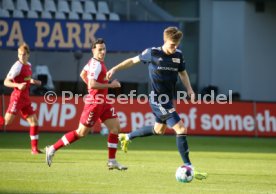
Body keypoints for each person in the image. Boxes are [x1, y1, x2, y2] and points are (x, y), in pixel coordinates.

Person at [107, 27, 207, 179]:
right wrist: (115, 68)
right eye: (172, 45)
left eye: (177, 45)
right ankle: (188, 165)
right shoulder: (152, 53)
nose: (175, 48)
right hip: (157, 100)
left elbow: (183, 73)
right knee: (180, 129)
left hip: (168, 100)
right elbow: (132, 61)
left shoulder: (178, 55)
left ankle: (127, 137)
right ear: (165, 41)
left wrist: (190, 90)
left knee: (159, 130)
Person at [45, 38, 127, 170]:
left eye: (104, 49)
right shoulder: (97, 64)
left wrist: (95, 88)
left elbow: (83, 74)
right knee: (81, 133)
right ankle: (52, 149)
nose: (103, 52)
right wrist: (110, 85)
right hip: (94, 103)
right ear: (93, 50)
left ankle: (112, 161)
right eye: (100, 49)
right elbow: (91, 83)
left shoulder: (95, 62)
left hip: (103, 101)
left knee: (115, 128)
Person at [0, 43, 42, 154]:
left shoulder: (28, 65)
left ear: (28, 55)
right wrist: (18, 85)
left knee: (34, 122)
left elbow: (26, 78)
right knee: (6, 122)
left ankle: (34, 149)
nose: (21, 57)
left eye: (23, 55)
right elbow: (6, 82)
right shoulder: (17, 66)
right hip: (17, 98)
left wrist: (32, 81)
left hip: (25, 98)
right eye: (19, 54)